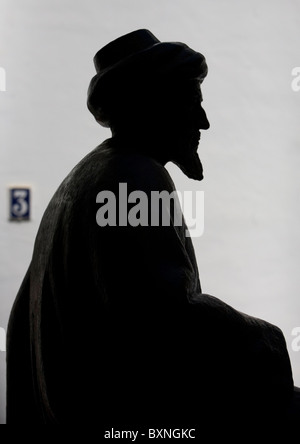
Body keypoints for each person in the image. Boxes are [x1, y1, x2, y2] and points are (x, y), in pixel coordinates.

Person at [7, 29, 299, 429]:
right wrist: (267, 339)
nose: (204, 121)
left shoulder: (83, 178)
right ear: (155, 105)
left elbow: (25, 323)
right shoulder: (135, 176)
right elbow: (169, 321)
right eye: (192, 104)